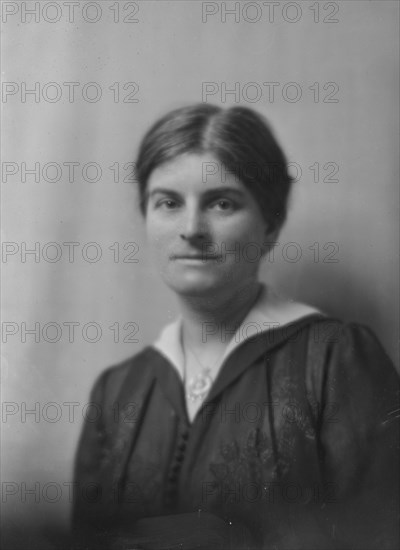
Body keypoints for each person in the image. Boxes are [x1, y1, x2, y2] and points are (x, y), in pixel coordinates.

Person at [72, 104, 399, 550]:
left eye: (222, 203)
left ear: (271, 224)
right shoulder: (116, 392)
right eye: (168, 202)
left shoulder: (335, 360)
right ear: (145, 219)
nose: (191, 229)